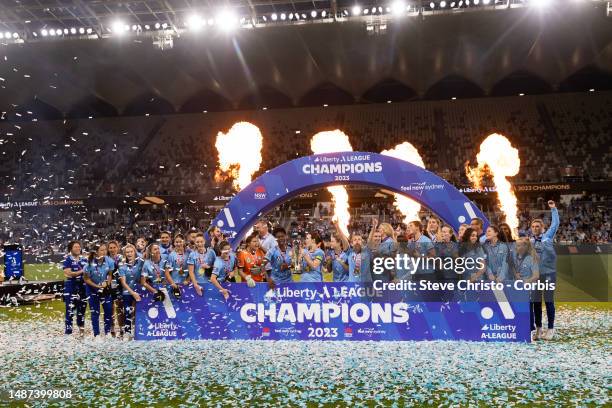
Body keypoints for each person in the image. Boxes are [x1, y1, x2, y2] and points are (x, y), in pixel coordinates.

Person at [530, 200, 560, 340]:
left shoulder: (547, 237)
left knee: (548, 300)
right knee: (536, 302)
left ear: (542, 228)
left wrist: (553, 209)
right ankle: (538, 328)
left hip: (548, 274)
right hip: (535, 276)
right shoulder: (529, 242)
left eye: (538, 226)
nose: (535, 228)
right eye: (533, 226)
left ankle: (551, 328)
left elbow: (555, 225)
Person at [83, 244, 113, 338]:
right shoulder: (89, 263)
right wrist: (97, 286)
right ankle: (97, 334)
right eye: (101, 250)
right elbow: (86, 279)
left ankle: (107, 332)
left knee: (108, 310)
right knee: (95, 312)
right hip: (92, 289)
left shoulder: (110, 261)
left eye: (105, 250)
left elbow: (110, 274)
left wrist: (107, 283)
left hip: (105, 289)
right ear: (96, 252)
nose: (104, 252)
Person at [513, 237, 540, 341]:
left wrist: (526, 282)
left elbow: (536, 275)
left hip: (528, 290)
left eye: (520, 245)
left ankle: (529, 330)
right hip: (516, 290)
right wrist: (515, 274)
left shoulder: (531, 259)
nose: (517, 247)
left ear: (525, 247)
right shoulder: (515, 258)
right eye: (517, 245)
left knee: (528, 309)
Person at [62, 240, 88, 336]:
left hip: (82, 288)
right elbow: (68, 274)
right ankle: (68, 332)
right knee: (70, 310)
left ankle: (81, 330)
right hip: (71, 287)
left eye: (79, 247)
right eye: (75, 247)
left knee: (82, 309)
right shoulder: (67, 260)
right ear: (70, 249)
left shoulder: (84, 260)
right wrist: (82, 271)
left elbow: (88, 274)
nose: (78, 248)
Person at [119, 244, 143, 338]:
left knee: (140, 311)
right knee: (128, 311)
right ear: (125, 254)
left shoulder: (140, 263)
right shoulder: (122, 266)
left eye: (131, 252)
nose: (129, 254)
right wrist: (133, 293)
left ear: (135, 253)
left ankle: (140, 331)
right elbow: (123, 283)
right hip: (127, 292)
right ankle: (127, 332)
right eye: (127, 252)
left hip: (140, 290)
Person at [106, 240, 124, 339]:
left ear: (117, 248)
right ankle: (112, 329)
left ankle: (121, 329)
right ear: (108, 249)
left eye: (114, 247)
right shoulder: (105, 259)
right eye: (110, 248)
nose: (112, 249)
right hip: (109, 285)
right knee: (110, 308)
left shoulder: (121, 258)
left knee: (119, 308)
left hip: (120, 285)